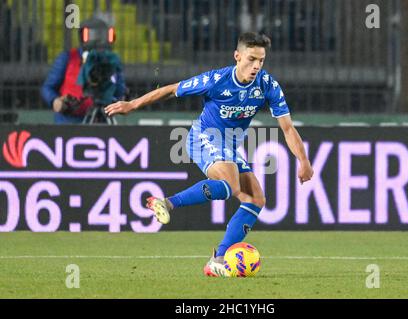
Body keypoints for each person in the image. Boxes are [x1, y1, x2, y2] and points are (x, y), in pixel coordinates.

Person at [105, 32, 314, 277]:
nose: (256, 65)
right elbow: (172, 89)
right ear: (237, 56)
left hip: (230, 146)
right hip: (204, 137)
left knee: (256, 199)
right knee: (229, 183)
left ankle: (218, 259)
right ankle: (167, 203)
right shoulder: (216, 80)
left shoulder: (267, 85)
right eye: (251, 59)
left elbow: (287, 127)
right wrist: (131, 105)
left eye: (261, 60)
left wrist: (304, 160)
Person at [41, 17, 126, 124]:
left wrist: (121, 101)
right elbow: (48, 87)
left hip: (101, 121)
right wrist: (55, 101)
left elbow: (119, 90)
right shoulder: (68, 58)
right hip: (69, 123)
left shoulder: (111, 61)